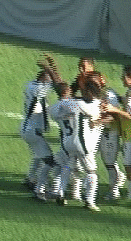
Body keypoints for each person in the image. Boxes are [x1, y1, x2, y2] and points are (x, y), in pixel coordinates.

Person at [50, 80, 107, 211]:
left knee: (67, 166)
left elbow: (53, 113)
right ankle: (90, 201)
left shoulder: (59, 106)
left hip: (67, 142)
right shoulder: (81, 104)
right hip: (81, 142)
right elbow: (96, 113)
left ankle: (60, 192)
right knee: (91, 171)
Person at [21, 54, 63, 199]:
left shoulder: (31, 85)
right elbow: (59, 84)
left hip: (28, 128)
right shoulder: (38, 90)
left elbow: (56, 81)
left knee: (39, 156)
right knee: (50, 161)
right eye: (48, 79)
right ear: (44, 80)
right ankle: (40, 190)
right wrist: (50, 68)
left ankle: (31, 178)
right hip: (33, 131)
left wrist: (53, 66)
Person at [103, 65, 131, 200]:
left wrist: (113, 109)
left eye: (124, 77)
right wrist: (118, 97)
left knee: (129, 165)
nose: (122, 79)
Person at [97, 76, 127, 201]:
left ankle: (114, 191)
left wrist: (98, 121)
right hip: (103, 131)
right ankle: (119, 178)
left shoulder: (109, 94)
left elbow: (114, 116)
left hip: (110, 132)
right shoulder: (99, 94)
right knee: (107, 161)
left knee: (109, 163)